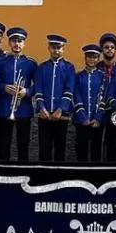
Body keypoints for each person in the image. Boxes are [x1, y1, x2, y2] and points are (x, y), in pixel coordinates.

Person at [0, 27, 36, 163]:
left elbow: (39, 85)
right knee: (2, 144)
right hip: (3, 109)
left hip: (23, 110)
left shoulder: (31, 63)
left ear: (24, 44)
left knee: (23, 144)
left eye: (20, 41)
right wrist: (4, 87)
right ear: (9, 43)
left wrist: (27, 92)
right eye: (14, 41)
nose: (17, 44)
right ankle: (2, 172)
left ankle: (23, 171)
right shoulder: (0, 61)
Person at [34, 34, 76, 162]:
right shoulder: (42, 67)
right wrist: (41, 108)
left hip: (61, 115)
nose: (56, 50)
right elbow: (38, 89)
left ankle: (59, 179)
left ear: (63, 49)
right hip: (44, 114)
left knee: (60, 149)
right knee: (44, 149)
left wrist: (60, 109)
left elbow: (69, 90)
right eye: (53, 47)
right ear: (48, 48)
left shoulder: (69, 67)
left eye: (59, 47)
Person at [74, 43, 107, 162]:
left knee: (96, 150)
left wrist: (98, 118)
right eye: (89, 56)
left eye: (94, 57)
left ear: (98, 59)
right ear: (85, 58)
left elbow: (104, 97)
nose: (91, 59)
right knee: (81, 149)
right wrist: (82, 117)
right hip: (81, 120)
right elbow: (75, 95)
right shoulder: (78, 76)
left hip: (97, 120)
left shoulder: (103, 77)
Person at [97, 33, 116, 163]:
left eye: (112, 47)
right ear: (102, 49)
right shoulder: (96, 67)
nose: (109, 50)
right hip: (98, 111)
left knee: (114, 142)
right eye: (106, 47)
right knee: (98, 143)